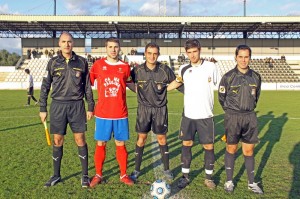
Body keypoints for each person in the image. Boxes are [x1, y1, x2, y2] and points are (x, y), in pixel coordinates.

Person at [39, 32, 95, 188]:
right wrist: (42, 108)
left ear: (73, 43)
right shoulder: (52, 63)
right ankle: (56, 175)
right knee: (57, 140)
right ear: (59, 44)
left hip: (77, 106)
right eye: (63, 42)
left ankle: (85, 175)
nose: (66, 44)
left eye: (69, 42)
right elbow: (45, 86)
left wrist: (90, 105)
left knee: (80, 139)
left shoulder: (82, 62)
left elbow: (88, 87)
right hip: (58, 106)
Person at [167, 39, 218, 189]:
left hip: (206, 115)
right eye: (189, 52)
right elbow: (177, 82)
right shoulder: (183, 68)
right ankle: (185, 176)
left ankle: (208, 178)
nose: (192, 55)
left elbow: (220, 85)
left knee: (208, 146)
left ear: (200, 50)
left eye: (194, 51)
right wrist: (163, 90)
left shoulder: (211, 67)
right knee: (186, 144)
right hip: (188, 115)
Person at [129, 42, 178, 182]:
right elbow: (128, 81)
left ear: (158, 54)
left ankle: (167, 169)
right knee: (141, 139)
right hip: (144, 109)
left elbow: (175, 82)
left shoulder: (164, 69)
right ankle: (137, 169)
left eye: (155, 53)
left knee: (162, 138)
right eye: (149, 53)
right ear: (145, 54)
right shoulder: (137, 70)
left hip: (160, 109)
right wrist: (138, 91)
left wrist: (165, 90)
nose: (152, 56)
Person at [218, 44, 263, 194]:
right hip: (233, 117)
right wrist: (231, 112)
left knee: (249, 151)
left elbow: (256, 97)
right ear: (235, 57)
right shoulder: (228, 77)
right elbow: (221, 97)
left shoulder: (256, 77)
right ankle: (229, 181)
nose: (243, 60)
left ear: (250, 58)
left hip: (250, 117)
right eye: (240, 57)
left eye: (246, 57)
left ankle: (252, 183)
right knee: (231, 148)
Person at [89, 37, 134, 187]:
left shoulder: (125, 67)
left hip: (120, 113)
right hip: (102, 113)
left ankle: (123, 174)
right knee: (101, 143)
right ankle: (98, 174)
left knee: (120, 143)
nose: (113, 50)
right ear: (106, 48)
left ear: (119, 48)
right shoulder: (98, 65)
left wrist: (146, 92)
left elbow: (131, 84)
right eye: (110, 47)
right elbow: (87, 85)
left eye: (116, 47)